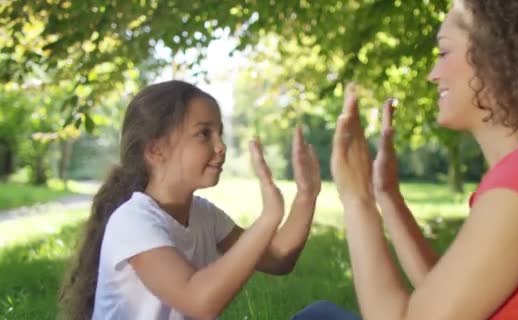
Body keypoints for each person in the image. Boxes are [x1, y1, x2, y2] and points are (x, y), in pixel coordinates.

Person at [330, 0, 518, 319]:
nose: (433, 75)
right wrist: (387, 195)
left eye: (444, 53)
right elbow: (452, 298)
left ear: (501, 56)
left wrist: (357, 199)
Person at [59, 80, 322, 319]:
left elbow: (278, 259)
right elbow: (198, 301)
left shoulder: (204, 215)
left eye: (219, 133)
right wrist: (267, 219)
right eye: (204, 134)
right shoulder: (133, 221)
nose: (221, 146)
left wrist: (306, 195)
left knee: (320, 315)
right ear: (155, 149)